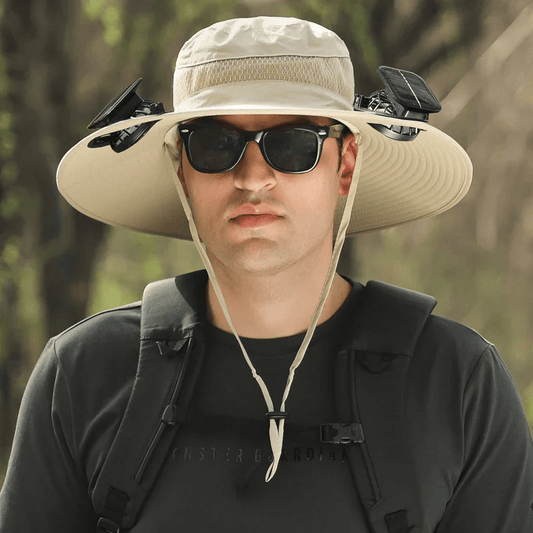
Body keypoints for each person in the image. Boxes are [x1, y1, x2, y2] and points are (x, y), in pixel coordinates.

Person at [1, 16, 532, 533]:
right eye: (214, 144)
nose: (253, 178)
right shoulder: (82, 374)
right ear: (181, 168)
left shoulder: (457, 381)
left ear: (346, 164)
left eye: (294, 144)